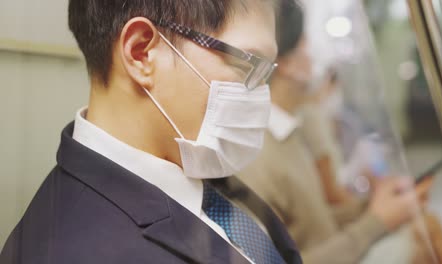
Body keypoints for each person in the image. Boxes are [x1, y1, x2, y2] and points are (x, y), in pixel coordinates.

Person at [0, 1, 303, 263]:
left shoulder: (197, 166)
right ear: (141, 52)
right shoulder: (71, 252)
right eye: (248, 65)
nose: (262, 93)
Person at [238, 2, 427, 263]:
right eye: (306, 45)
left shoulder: (289, 132)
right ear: (287, 63)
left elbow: (314, 221)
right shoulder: (257, 157)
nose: (313, 56)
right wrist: (376, 221)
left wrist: (374, 205)